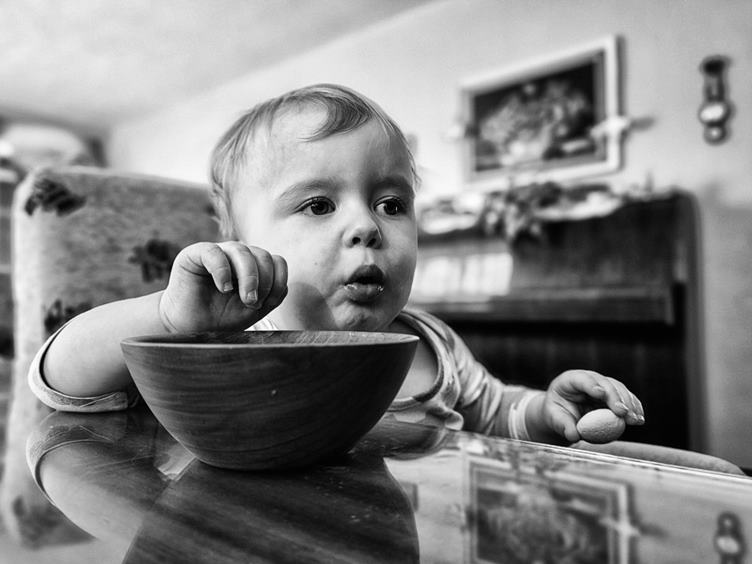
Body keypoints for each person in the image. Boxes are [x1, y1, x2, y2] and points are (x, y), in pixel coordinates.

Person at [29, 84, 644, 444]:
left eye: (391, 203)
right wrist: (167, 319)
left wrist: (543, 412)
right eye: (318, 205)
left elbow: (496, 414)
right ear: (242, 241)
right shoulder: (215, 347)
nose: (367, 226)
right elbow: (59, 382)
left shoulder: (433, 345)